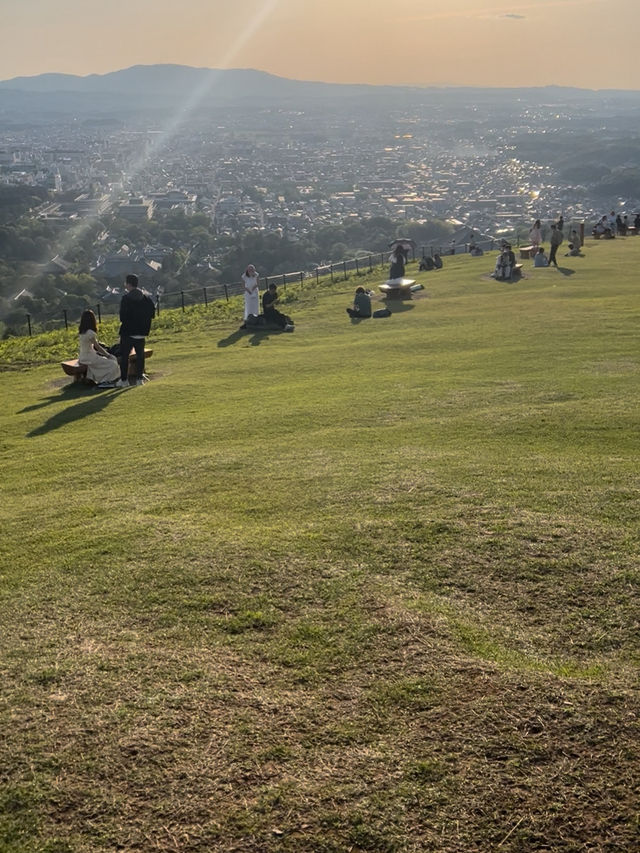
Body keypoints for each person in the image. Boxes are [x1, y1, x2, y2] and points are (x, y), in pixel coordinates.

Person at [117, 273, 155, 387]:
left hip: (128, 332)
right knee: (140, 356)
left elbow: (122, 317)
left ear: (128, 284)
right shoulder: (146, 298)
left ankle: (124, 380)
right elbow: (152, 314)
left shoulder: (126, 299)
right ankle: (139, 379)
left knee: (125, 356)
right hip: (141, 332)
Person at [77, 309, 120, 387]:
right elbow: (97, 346)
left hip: (83, 357)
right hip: (90, 357)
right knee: (112, 363)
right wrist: (108, 355)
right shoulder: (90, 333)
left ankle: (103, 380)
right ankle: (105, 381)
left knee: (107, 362)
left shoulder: (82, 332)